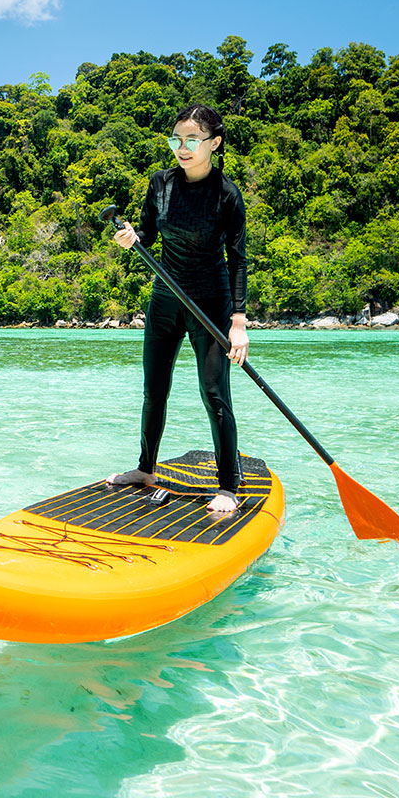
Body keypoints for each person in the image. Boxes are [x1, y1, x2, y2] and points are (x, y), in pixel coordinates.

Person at [105, 103, 249, 519]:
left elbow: (237, 259)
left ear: (214, 143)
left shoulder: (227, 194)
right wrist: (133, 235)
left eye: (191, 140)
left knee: (214, 393)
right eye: (176, 140)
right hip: (166, 297)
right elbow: (149, 231)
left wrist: (238, 322)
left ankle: (228, 486)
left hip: (211, 302)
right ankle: (145, 469)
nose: (181, 148)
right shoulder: (161, 184)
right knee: (154, 389)